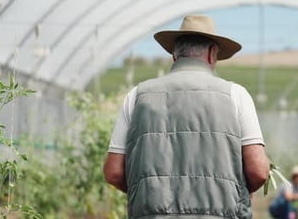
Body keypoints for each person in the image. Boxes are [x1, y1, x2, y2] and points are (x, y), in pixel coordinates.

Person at [103, 15, 270, 218]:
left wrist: (147, 194)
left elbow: (113, 172)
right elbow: (259, 171)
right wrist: (238, 194)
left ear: (174, 54)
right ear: (211, 54)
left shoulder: (137, 96)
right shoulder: (236, 96)